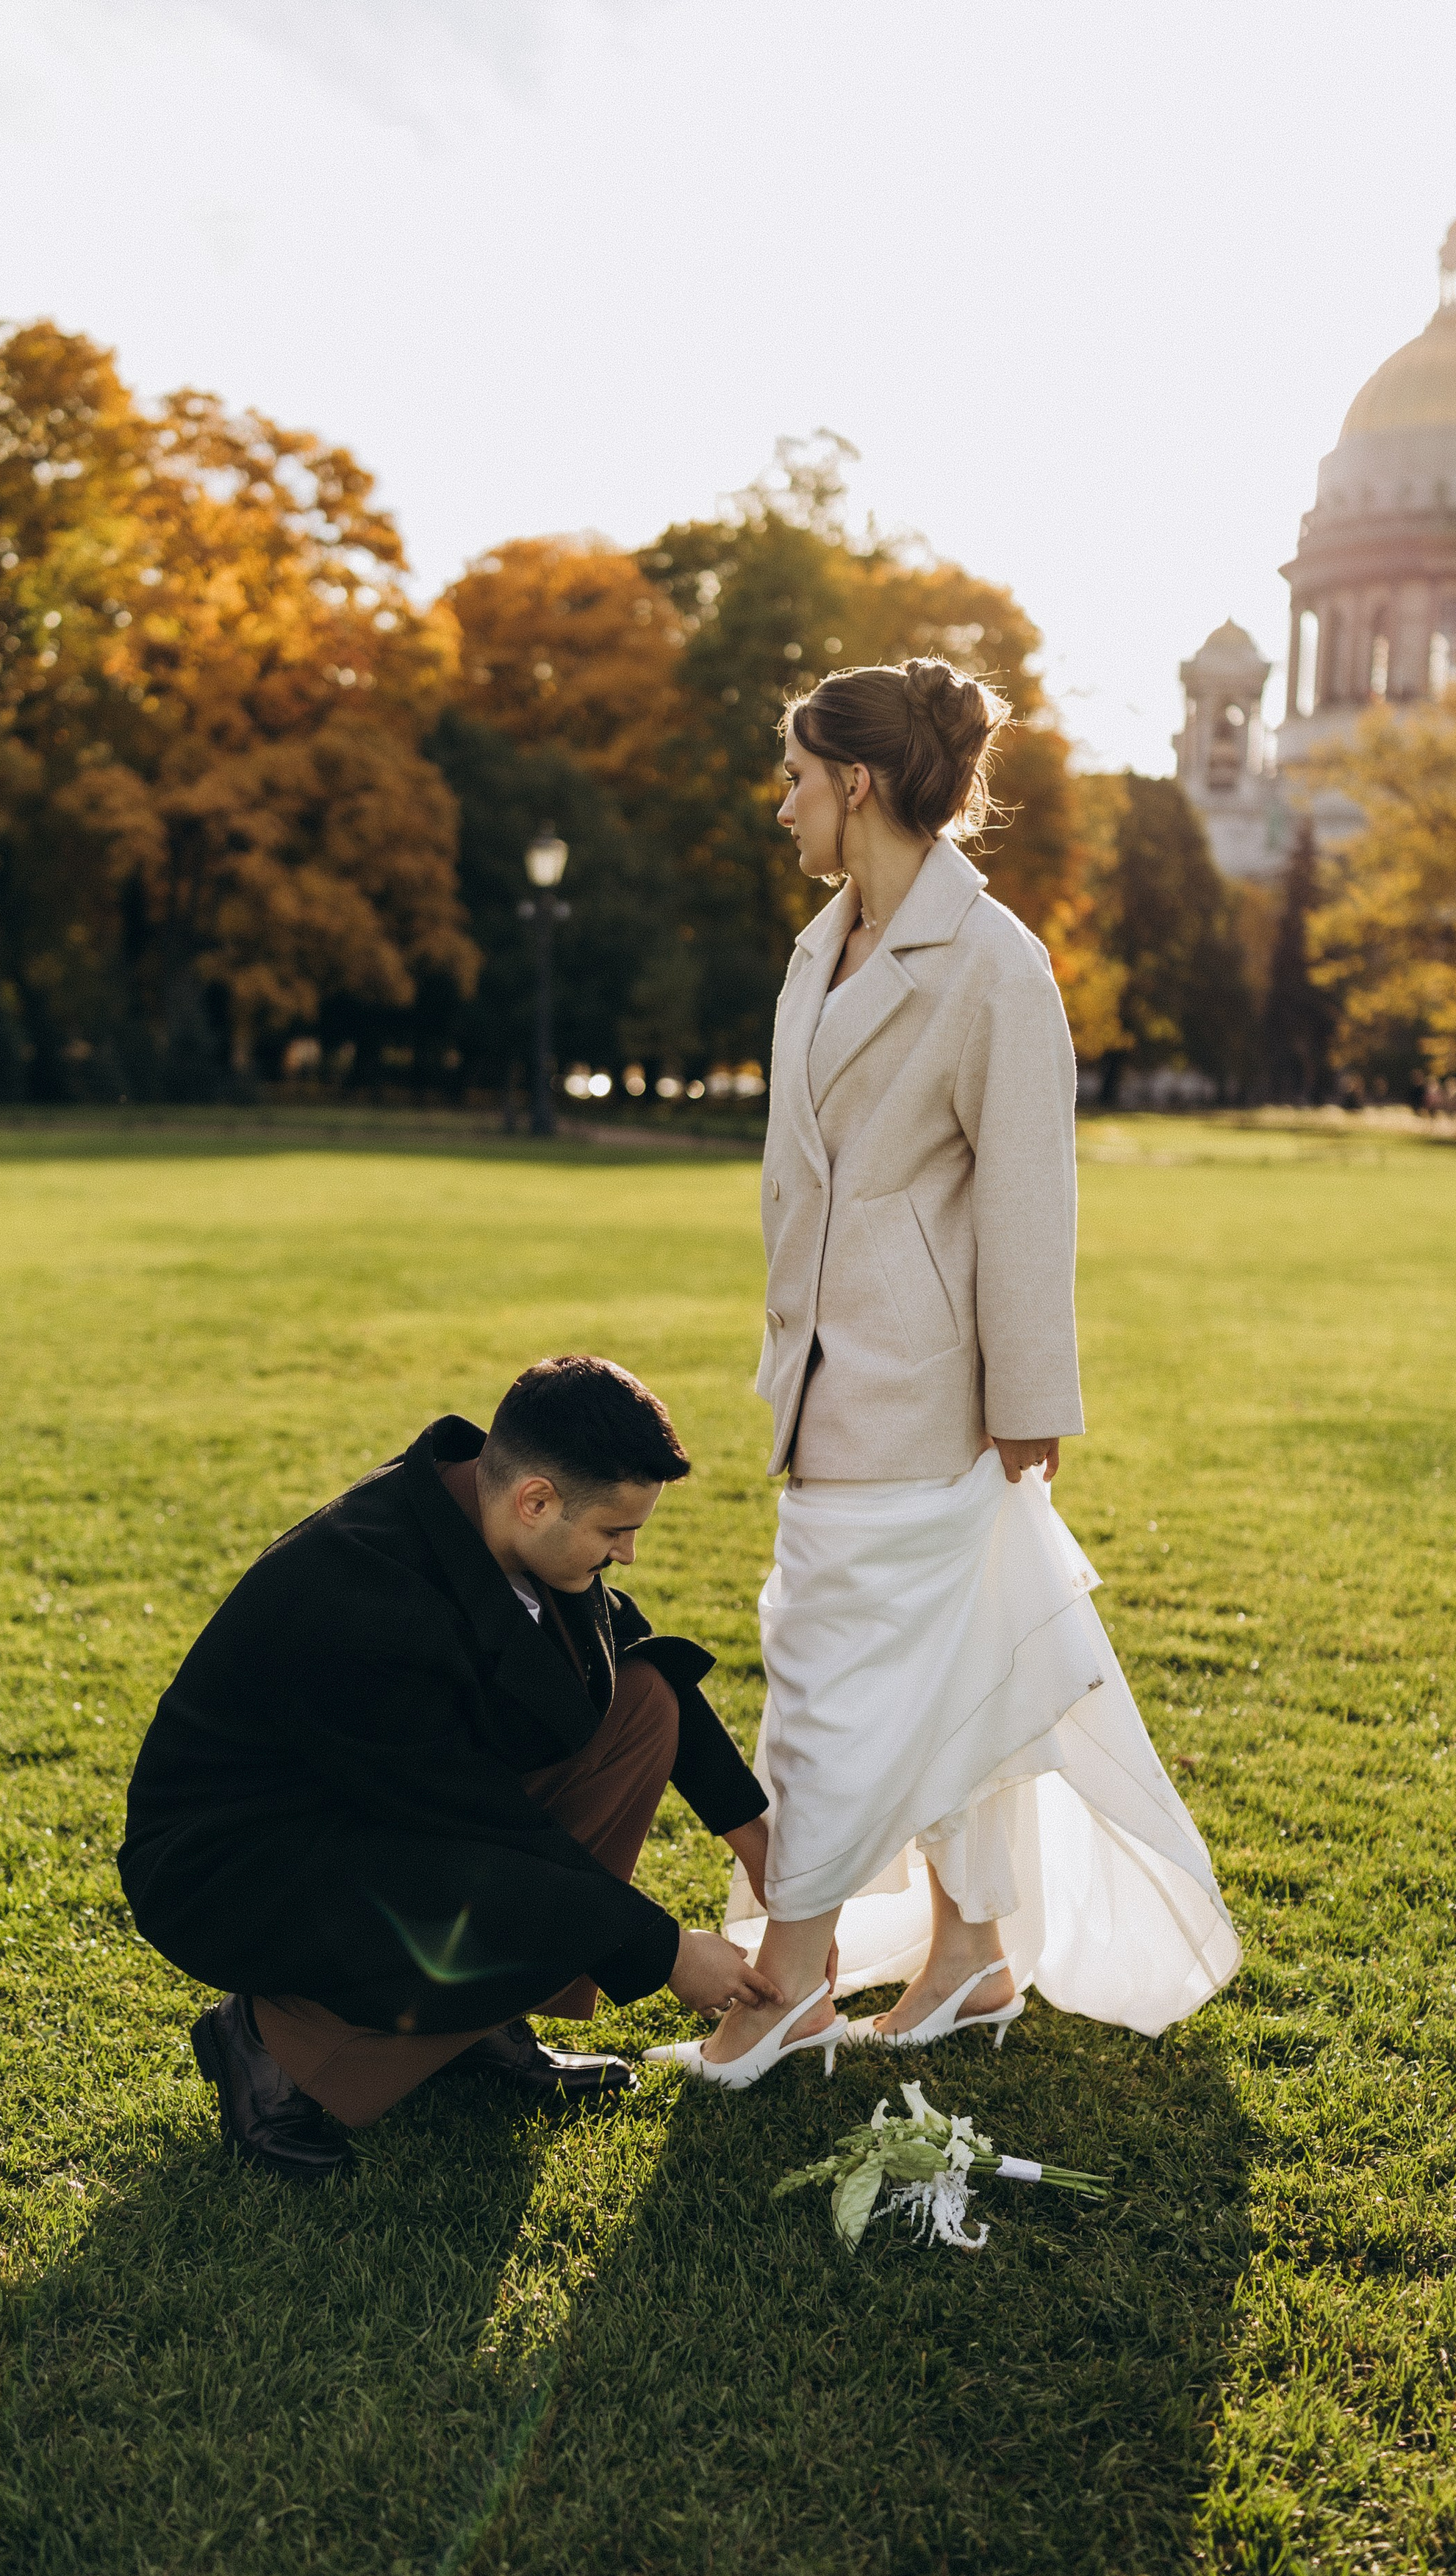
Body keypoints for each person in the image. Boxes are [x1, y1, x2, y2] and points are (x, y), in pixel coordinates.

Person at [652, 659, 1240, 2089]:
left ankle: (787, 1981)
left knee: (824, 1678)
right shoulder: (820, 946)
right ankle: (970, 1952)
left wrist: (1031, 1402)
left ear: (855, 786)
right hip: (823, 1381)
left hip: (925, 1397)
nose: (779, 801)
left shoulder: (991, 963)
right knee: (940, 1670)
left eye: (793, 775)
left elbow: (1030, 1196)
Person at [121, 1356, 782, 2178]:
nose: (630, 1554)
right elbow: (474, 1835)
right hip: (238, 1865)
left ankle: (478, 2021)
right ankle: (266, 2047)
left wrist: (754, 1840)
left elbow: (635, 1658)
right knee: (484, 1881)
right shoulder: (364, 1593)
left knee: (643, 1703)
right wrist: (664, 1949)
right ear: (534, 1498)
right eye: (616, 1531)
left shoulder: (500, 1512)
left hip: (390, 1806)